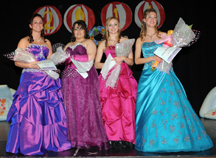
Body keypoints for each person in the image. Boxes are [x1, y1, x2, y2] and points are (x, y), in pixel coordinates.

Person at [134, 8, 213, 152]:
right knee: (148, 110)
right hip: (148, 77)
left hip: (164, 75)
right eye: (149, 17)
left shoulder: (164, 35)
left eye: (154, 17)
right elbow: (136, 61)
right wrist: (153, 58)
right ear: (144, 20)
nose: (152, 19)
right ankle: (150, 140)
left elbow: (172, 52)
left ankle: (175, 140)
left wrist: (168, 56)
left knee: (171, 106)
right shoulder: (140, 40)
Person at [6, 14, 71, 155]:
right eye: (35, 22)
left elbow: (50, 61)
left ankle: (48, 141)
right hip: (30, 80)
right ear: (30, 25)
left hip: (46, 80)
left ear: (43, 25)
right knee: (30, 111)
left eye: (40, 23)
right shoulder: (24, 41)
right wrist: (32, 65)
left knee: (47, 111)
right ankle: (30, 142)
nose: (38, 25)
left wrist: (52, 64)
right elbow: (17, 62)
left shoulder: (47, 42)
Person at [61, 20, 109, 150]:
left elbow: (91, 57)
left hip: (84, 79)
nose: (78, 31)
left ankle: (88, 138)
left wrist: (72, 57)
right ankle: (73, 139)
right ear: (73, 31)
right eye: (76, 29)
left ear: (85, 31)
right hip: (69, 80)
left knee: (85, 107)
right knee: (70, 107)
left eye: (81, 28)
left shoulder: (89, 42)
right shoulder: (68, 44)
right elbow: (63, 61)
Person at [94, 17, 137, 149]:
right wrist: (110, 63)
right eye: (110, 25)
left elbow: (132, 62)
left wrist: (123, 58)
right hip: (108, 77)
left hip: (123, 77)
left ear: (119, 26)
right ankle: (111, 138)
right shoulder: (103, 44)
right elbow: (96, 64)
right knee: (110, 109)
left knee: (126, 107)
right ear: (106, 27)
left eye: (115, 24)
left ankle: (126, 138)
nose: (112, 27)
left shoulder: (125, 41)